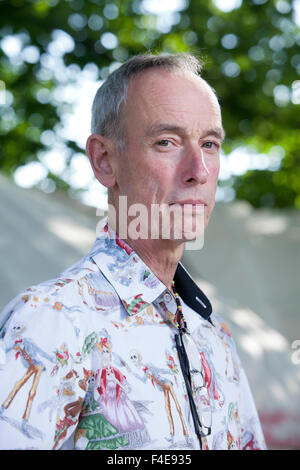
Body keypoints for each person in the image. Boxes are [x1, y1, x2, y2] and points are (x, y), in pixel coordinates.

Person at [0, 53, 266, 450]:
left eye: (210, 144)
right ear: (105, 161)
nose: (200, 170)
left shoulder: (214, 334)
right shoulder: (46, 322)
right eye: (167, 142)